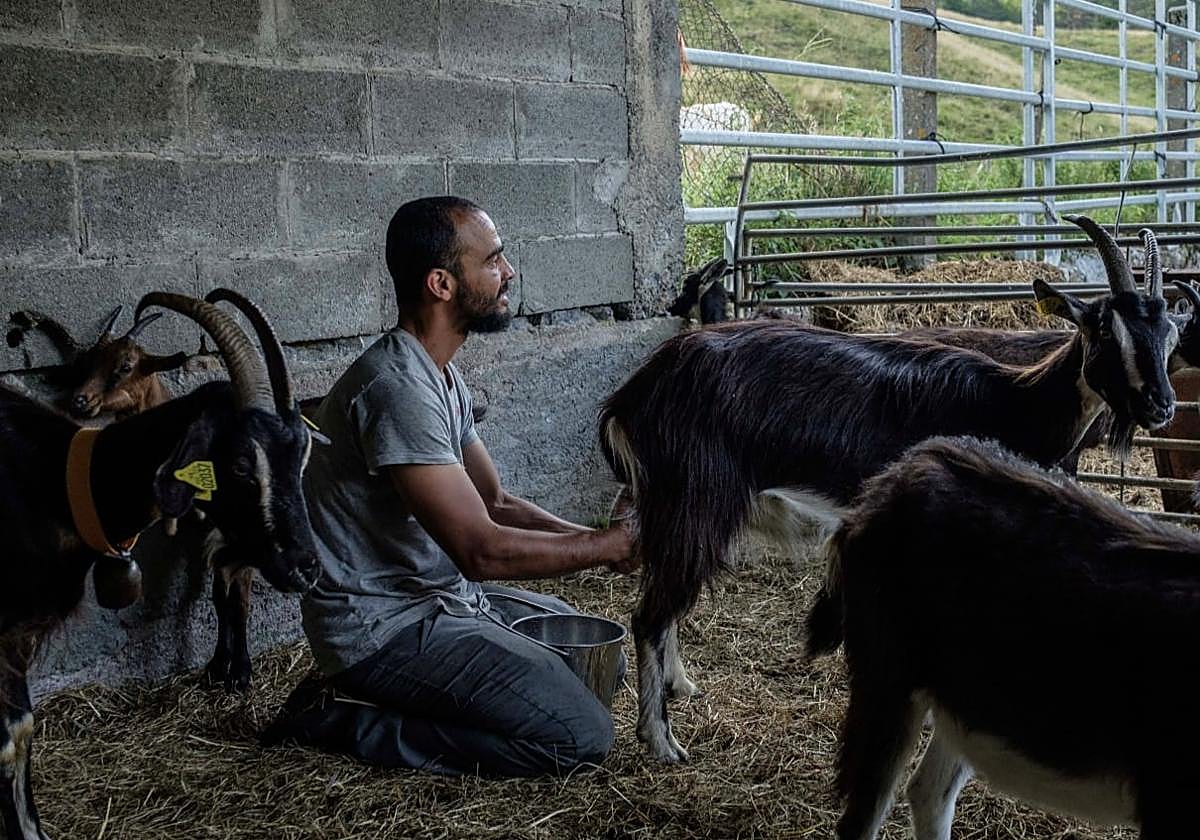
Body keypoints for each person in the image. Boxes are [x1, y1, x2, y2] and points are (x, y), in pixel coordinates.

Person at [270, 195, 639, 777]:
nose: (508, 273)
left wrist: (602, 536)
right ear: (442, 284)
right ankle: (351, 720)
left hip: (443, 602)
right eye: (492, 260)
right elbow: (480, 550)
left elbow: (496, 503)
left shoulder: (440, 374)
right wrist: (608, 549)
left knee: (597, 665)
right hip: (382, 629)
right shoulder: (396, 389)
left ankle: (433, 698)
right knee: (581, 736)